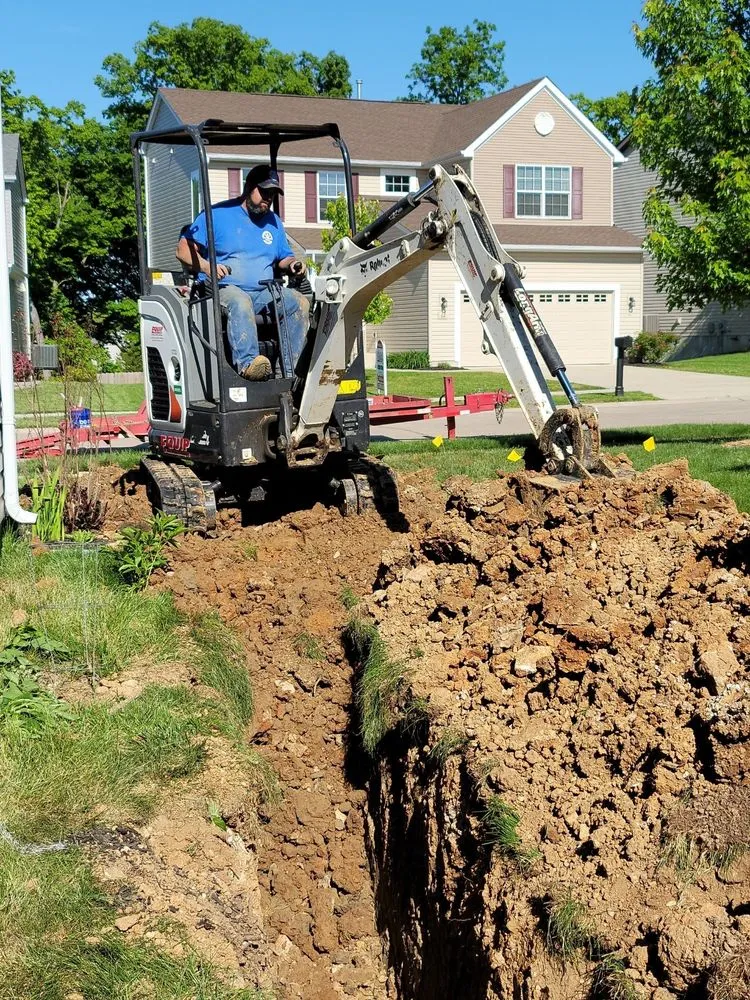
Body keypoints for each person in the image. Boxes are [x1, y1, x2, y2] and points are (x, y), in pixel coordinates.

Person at [176, 165, 309, 381]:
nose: (268, 198)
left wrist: (293, 264)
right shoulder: (216, 215)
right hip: (221, 290)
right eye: (264, 192)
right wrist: (207, 267)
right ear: (249, 187)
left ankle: (287, 372)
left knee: (299, 302)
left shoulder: (274, 222)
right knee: (241, 301)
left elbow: (284, 256)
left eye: (272, 194)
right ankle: (249, 364)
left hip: (263, 292)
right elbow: (182, 250)